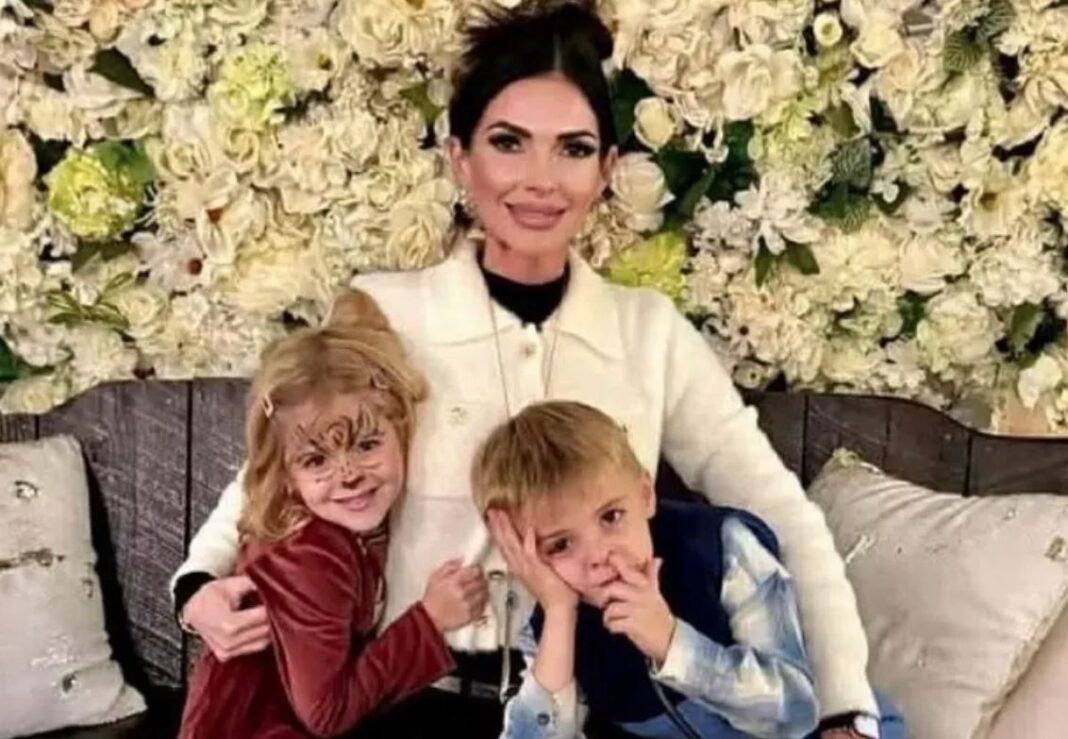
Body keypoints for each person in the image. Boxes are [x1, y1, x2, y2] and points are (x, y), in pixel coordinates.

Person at [173, 1, 883, 736]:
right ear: (461, 158)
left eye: (573, 148)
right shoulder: (385, 312)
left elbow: (781, 512)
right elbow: (273, 473)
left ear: (606, 169)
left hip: (594, 714)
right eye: (509, 143)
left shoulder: (650, 332)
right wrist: (196, 588)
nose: (541, 180)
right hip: (408, 703)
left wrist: (843, 709)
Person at [177, 290, 488, 739]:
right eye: (316, 460)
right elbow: (327, 713)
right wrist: (430, 621)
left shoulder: (332, 526)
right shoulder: (311, 556)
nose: (349, 475)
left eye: (366, 445)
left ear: (401, 430)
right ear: (286, 475)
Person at [474, 400, 821, 739]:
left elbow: (795, 714)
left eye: (611, 516)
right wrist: (560, 616)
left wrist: (671, 642)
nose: (599, 555)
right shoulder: (550, 616)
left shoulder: (721, 546)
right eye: (560, 545)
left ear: (645, 495)